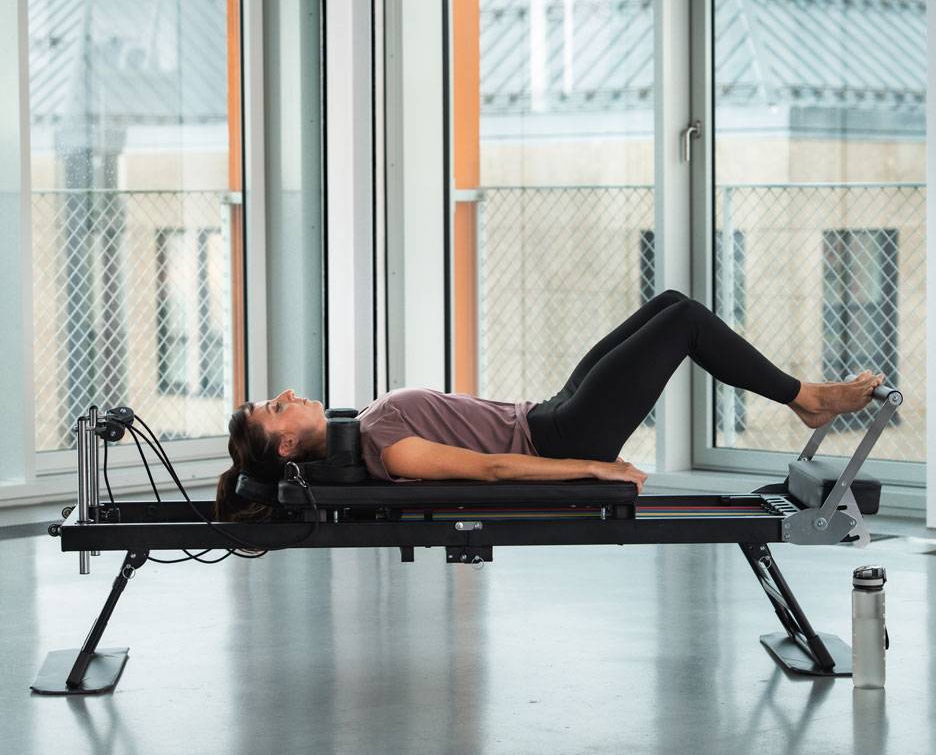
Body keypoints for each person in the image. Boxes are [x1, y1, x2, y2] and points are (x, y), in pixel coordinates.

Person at [215, 289, 885, 520]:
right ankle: (810, 399)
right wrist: (593, 472)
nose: (287, 396)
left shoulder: (361, 424)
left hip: (551, 411)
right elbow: (493, 472)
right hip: (563, 436)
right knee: (686, 326)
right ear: (282, 445)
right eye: (274, 408)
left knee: (673, 305)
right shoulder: (385, 446)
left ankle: (807, 399)